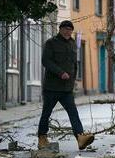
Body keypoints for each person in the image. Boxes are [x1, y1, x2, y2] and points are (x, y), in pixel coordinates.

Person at [37, 20, 94, 150]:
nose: (68, 31)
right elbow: (45, 61)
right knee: (46, 113)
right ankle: (42, 138)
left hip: (67, 88)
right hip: (52, 87)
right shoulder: (51, 43)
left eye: (70, 29)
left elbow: (75, 64)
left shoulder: (73, 43)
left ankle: (80, 137)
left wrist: (73, 80)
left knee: (73, 112)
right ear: (60, 29)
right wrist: (60, 72)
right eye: (66, 29)